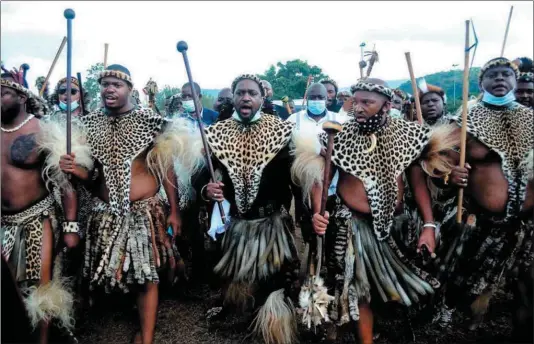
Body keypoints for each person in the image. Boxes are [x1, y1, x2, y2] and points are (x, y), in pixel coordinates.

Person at [292, 78, 458, 344]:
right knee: (359, 290)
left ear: (386, 105)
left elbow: (418, 184)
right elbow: (321, 179)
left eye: (367, 102)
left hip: (396, 224)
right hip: (353, 227)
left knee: (391, 290)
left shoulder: (409, 135)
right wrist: (317, 212)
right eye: (355, 101)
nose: (358, 108)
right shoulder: (338, 135)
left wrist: (428, 225)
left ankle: (382, 326)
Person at [65, 64, 186, 344]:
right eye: (104, 84)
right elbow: (91, 176)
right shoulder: (88, 124)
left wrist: (175, 211)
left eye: (116, 84)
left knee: (146, 273)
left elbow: (166, 168)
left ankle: (146, 336)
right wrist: (74, 169)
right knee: (114, 272)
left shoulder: (150, 122)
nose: (109, 88)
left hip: (144, 211)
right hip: (104, 213)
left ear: (130, 89)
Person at [178, 74, 301, 344]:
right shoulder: (217, 132)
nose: (246, 97)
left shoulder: (281, 131)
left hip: (271, 223)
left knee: (274, 278)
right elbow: (201, 173)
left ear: (262, 98)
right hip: (235, 223)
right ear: (233, 97)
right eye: (241, 92)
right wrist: (206, 189)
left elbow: (297, 177)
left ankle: (273, 327)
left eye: (252, 93)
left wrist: (306, 209)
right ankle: (241, 312)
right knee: (236, 275)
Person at [435, 57, 534, 329]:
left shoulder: (530, 119)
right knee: (465, 282)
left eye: (506, 74)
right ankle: (461, 311)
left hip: (527, 222)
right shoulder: (467, 119)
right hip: (482, 221)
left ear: (516, 81)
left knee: (527, 288)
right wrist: (450, 174)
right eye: (493, 75)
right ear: (481, 83)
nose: (500, 79)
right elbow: (437, 160)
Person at [1, 71, 89, 342]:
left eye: (3, 93)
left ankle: (44, 340)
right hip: (3, 223)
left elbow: (65, 181)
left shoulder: (42, 129)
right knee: (9, 288)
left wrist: (71, 226)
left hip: (37, 219)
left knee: (42, 288)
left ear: (22, 96)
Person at [287, 83, 349, 243]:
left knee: (330, 227)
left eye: (320, 97)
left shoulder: (339, 120)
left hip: (333, 187)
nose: (316, 101)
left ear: (327, 99)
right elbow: (287, 147)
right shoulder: (294, 120)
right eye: (313, 97)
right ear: (307, 99)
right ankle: (312, 250)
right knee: (308, 226)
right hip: (302, 186)